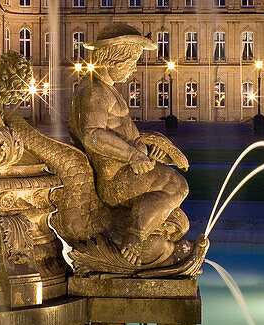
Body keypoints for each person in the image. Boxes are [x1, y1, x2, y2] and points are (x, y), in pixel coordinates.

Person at [68, 23, 189, 265]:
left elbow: (117, 132)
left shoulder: (104, 88)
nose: (133, 70)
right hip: (116, 179)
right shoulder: (94, 92)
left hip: (127, 172)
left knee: (178, 219)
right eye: (131, 63)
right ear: (113, 60)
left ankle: (145, 235)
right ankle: (135, 236)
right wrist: (132, 155)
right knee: (176, 185)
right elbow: (92, 135)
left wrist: (147, 148)